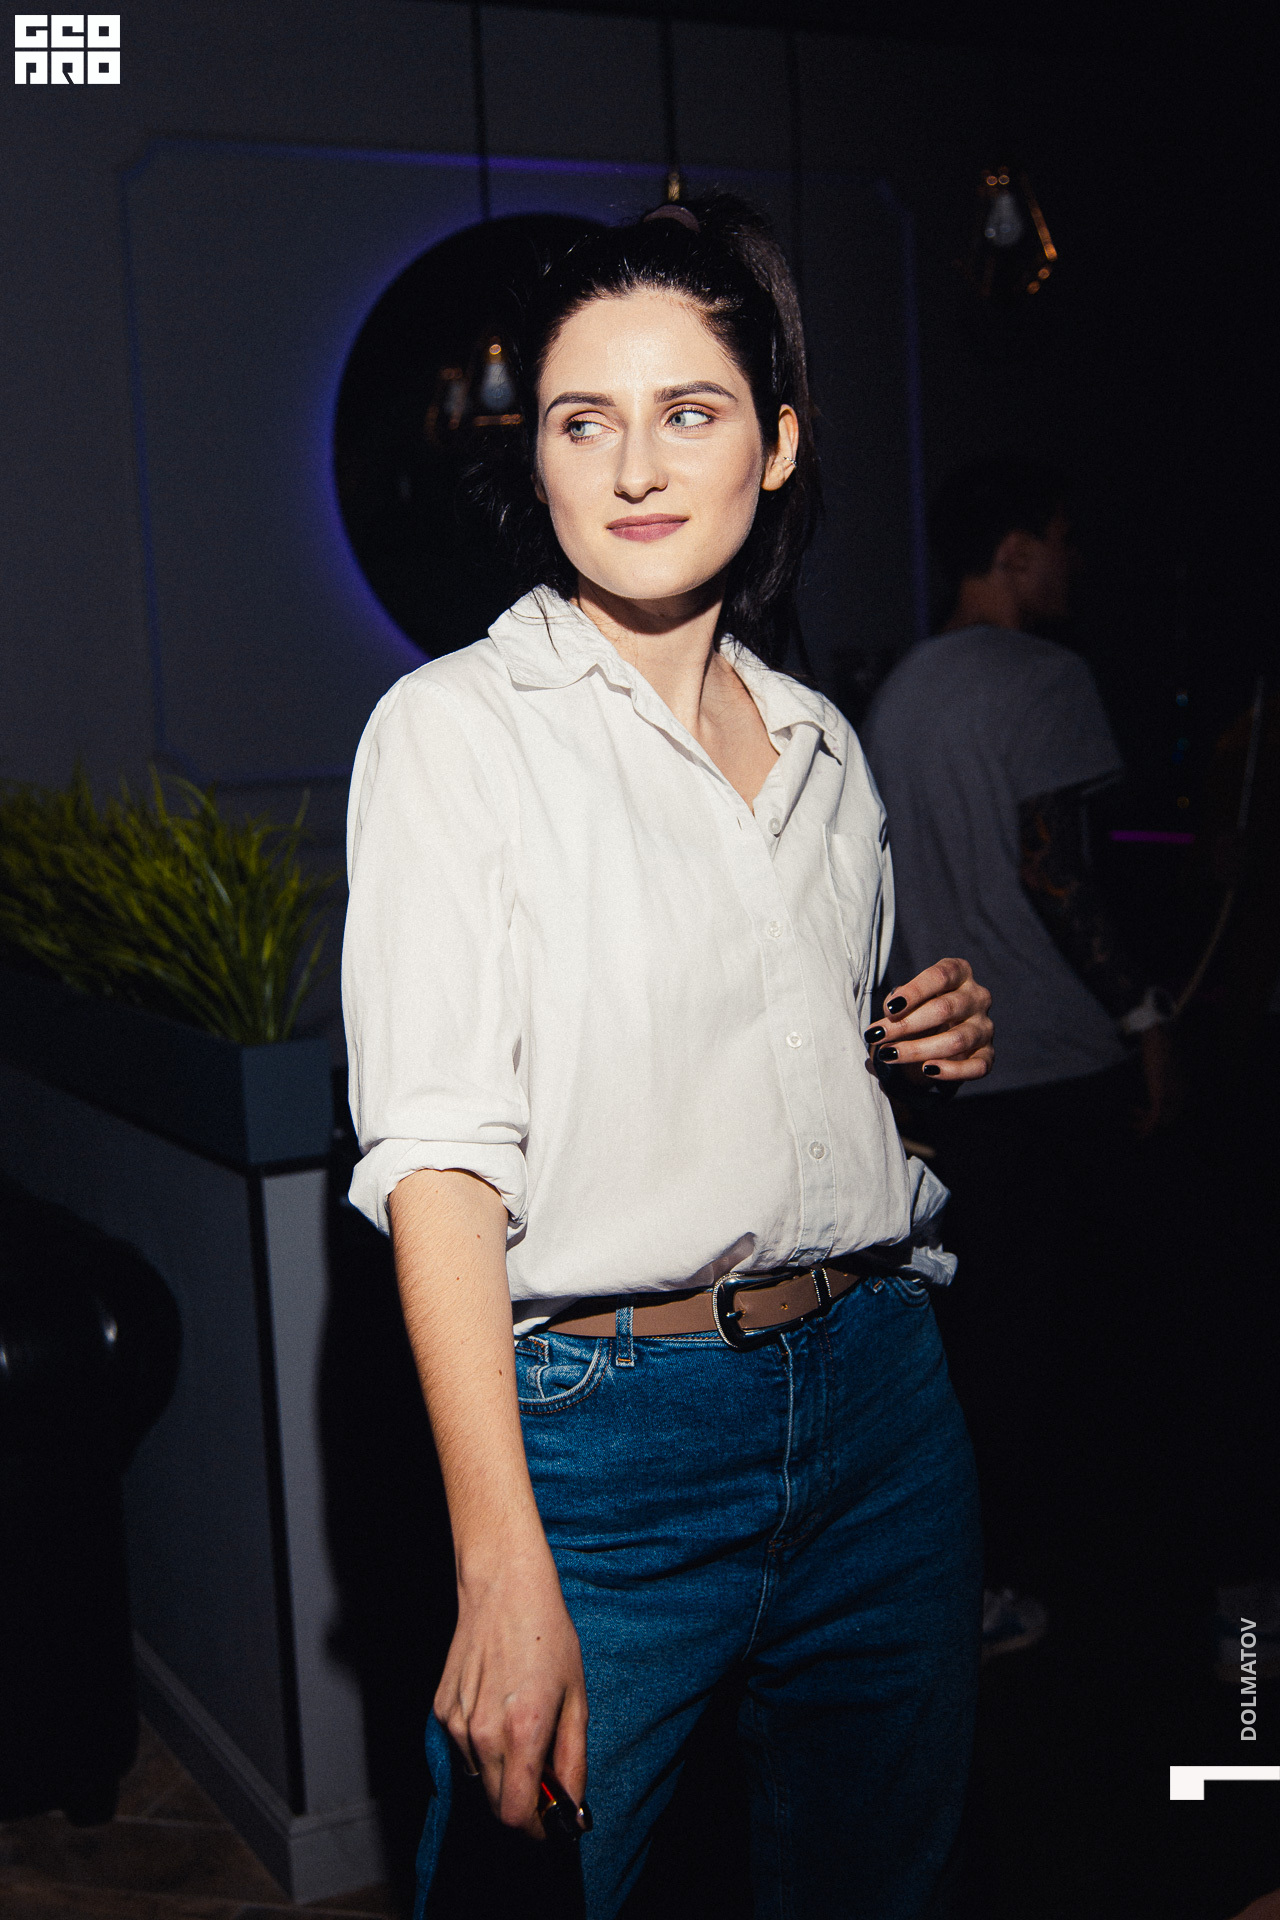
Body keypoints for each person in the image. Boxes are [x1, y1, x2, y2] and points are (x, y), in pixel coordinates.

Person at [342, 197, 996, 1920]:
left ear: (774, 446)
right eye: (584, 420)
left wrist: (912, 1060)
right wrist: (500, 1567)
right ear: (538, 458)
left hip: (883, 1397)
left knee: (882, 1885)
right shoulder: (456, 735)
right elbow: (438, 1160)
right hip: (604, 1445)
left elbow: (785, 1069)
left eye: (688, 412)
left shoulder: (824, 743)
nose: (635, 465)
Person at [862, 458, 1179, 1658]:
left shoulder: (894, 693)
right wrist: (1142, 1015)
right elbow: (1053, 869)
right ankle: (1182, 1621)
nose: (1071, 561)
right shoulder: (1045, 674)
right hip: (1054, 1058)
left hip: (953, 1076)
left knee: (986, 1349)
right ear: (1010, 552)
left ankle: (984, 1591)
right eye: (1057, 537)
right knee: (1125, 1345)